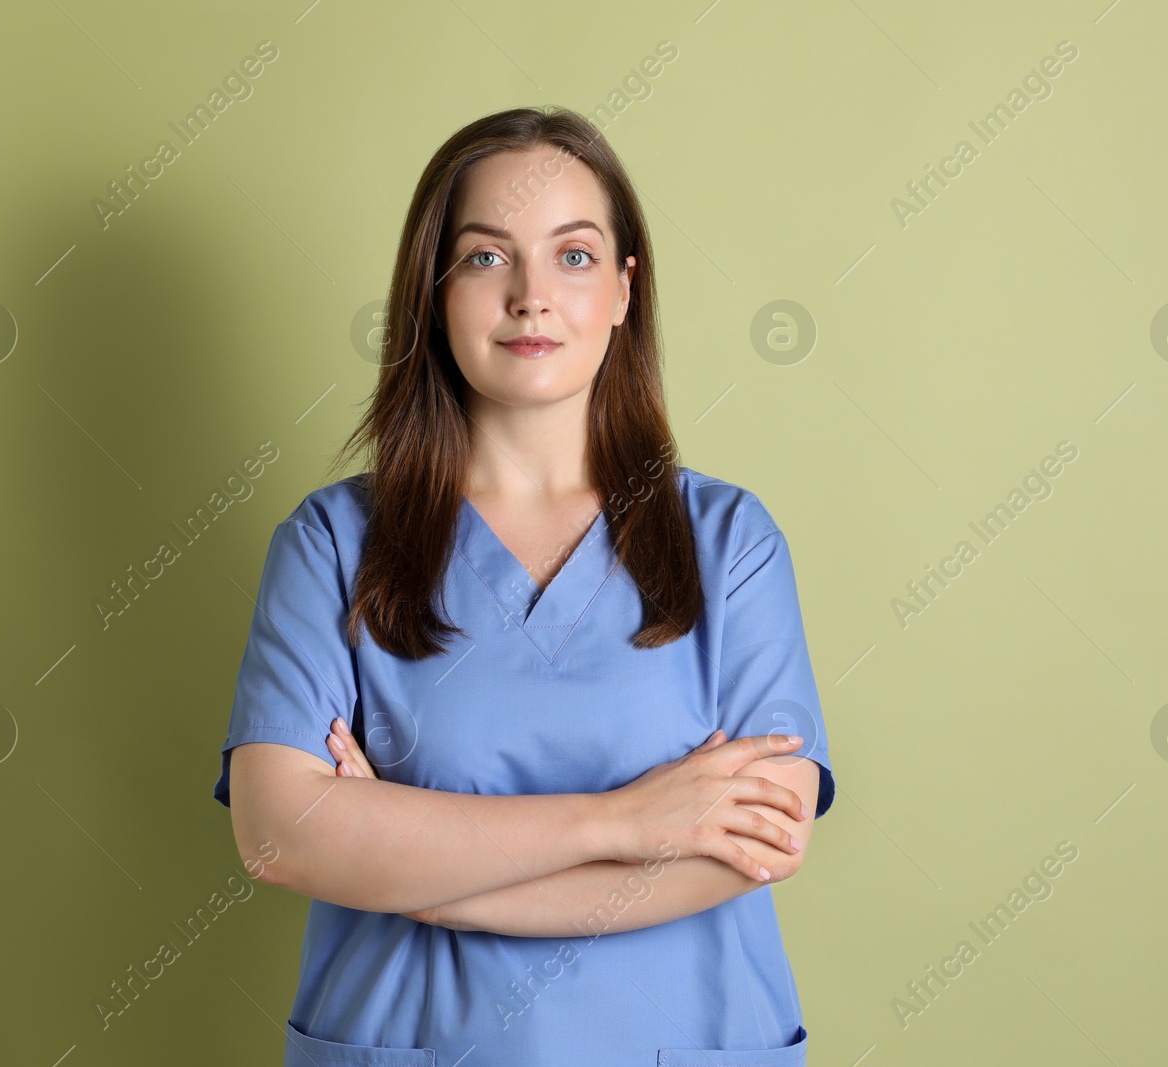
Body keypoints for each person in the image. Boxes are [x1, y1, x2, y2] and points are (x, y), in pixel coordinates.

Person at [212, 105, 836, 1067]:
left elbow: (752, 841)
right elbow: (280, 832)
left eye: (575, 256)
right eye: (486, 257)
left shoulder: (729, 544)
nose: (532, 297)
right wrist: (624, 820)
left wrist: (420, 878)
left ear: (627, 290)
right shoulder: (334, 544)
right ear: (433, 291)